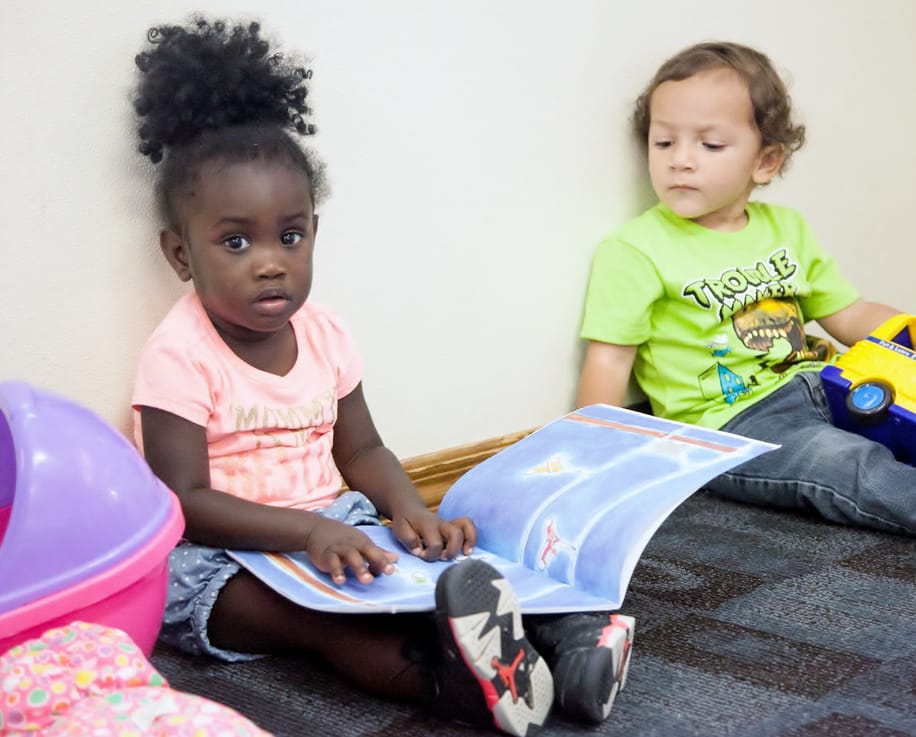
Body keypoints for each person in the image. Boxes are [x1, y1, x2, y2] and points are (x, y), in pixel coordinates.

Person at [130, 18, 633, 737]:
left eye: (290, 234)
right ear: (181, 254)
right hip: (218, 560)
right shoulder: (179, 353)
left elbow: (361, 450)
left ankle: (573, 647)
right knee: (325, 623)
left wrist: (407, 509)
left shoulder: (326, 331)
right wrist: (306, 532)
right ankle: (458, 686)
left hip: (330, 525)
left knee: (446, 567)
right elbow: (183, 500)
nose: (270, 260)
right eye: (235, 241)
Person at [576, 40, 916, 555]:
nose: (681, 161)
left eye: (709, 146)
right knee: (841, 463)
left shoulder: (786, 229)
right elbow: (609, 358)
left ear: (766, 161)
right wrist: (591, 456)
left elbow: (848, 312)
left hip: (825, 382)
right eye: (663, 143)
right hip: (732, 427)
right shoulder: (635, 250)